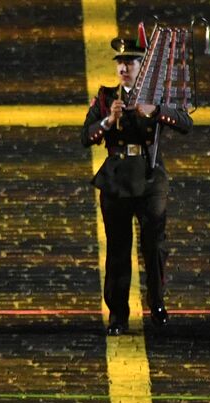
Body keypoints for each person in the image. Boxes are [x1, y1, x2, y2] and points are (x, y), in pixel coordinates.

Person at [81, 37, 192, 336]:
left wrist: (154, 111)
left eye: (129, 63)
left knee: (154, 245)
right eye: (120, 63)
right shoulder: (106, 98)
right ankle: (117, 314)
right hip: (116, 180)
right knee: (117, 250)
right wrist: (107, 121)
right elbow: (85, 136)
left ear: (142, 67)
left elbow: (185, 123)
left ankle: (157, 303)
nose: (123, 68)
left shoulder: (155, 96)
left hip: (149, 177)